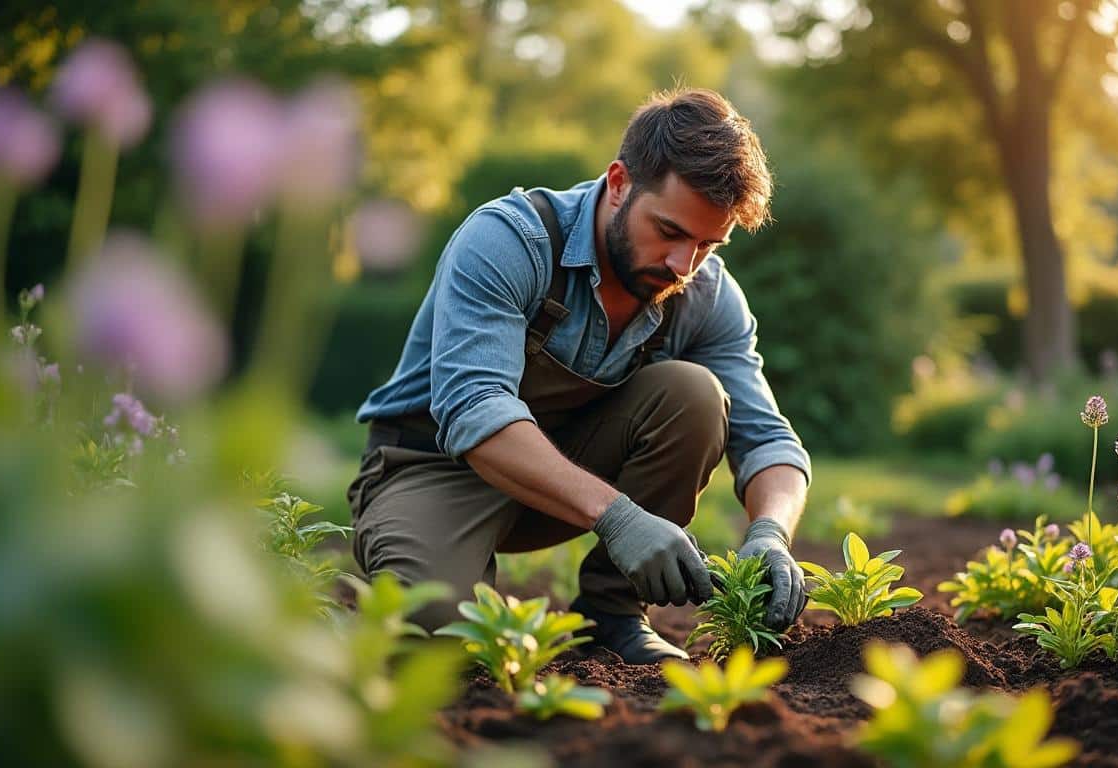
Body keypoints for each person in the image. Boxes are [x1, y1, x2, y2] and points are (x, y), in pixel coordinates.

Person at [347, 87, 811, 664]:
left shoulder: (704, 292)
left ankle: (612, 615)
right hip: (433, 468)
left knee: (694, 394)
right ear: (619, 183)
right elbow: (475, 408)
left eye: (708, 244)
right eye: (668, 232)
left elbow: (767, 437)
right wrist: (618, 518)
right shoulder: (510, 240)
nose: (683, 265)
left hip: (566, 478)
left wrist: (770, 530)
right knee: (438, 636)